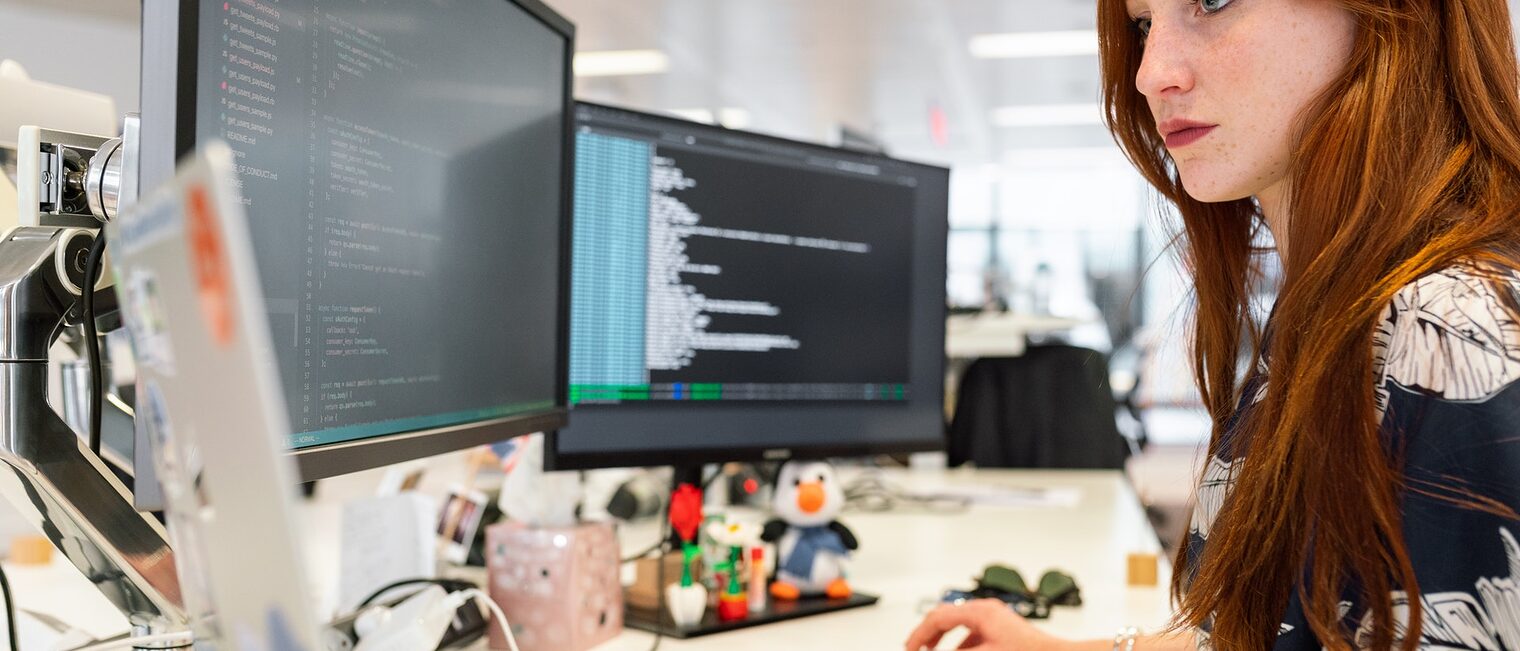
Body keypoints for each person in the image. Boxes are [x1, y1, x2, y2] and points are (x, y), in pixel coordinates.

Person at [907, 0, 1520, 649]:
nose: (1148, 73)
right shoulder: (1333, 311)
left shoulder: (1449, 328)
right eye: (1143, 24)